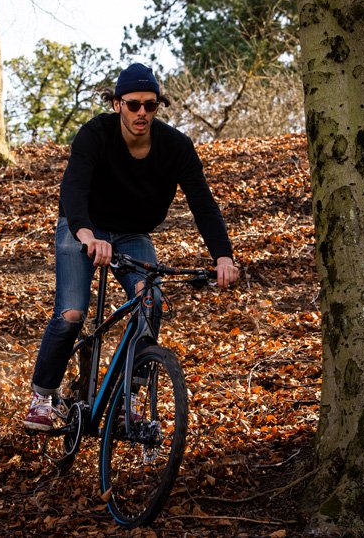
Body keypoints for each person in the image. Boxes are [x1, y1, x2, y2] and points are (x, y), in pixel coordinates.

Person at [23, 63, 239, 431]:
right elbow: (73, 189)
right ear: (117, 104)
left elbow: (203, 204)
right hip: (82, 227)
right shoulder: (95, 134)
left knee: (150, 301)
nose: (142, 113)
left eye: (150, 105)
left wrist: (223, 256)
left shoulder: (176, 147)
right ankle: (43, 396)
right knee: (72, 312)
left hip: (133, 233)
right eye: (133, 104)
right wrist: (87, 236)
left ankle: (127, 400)